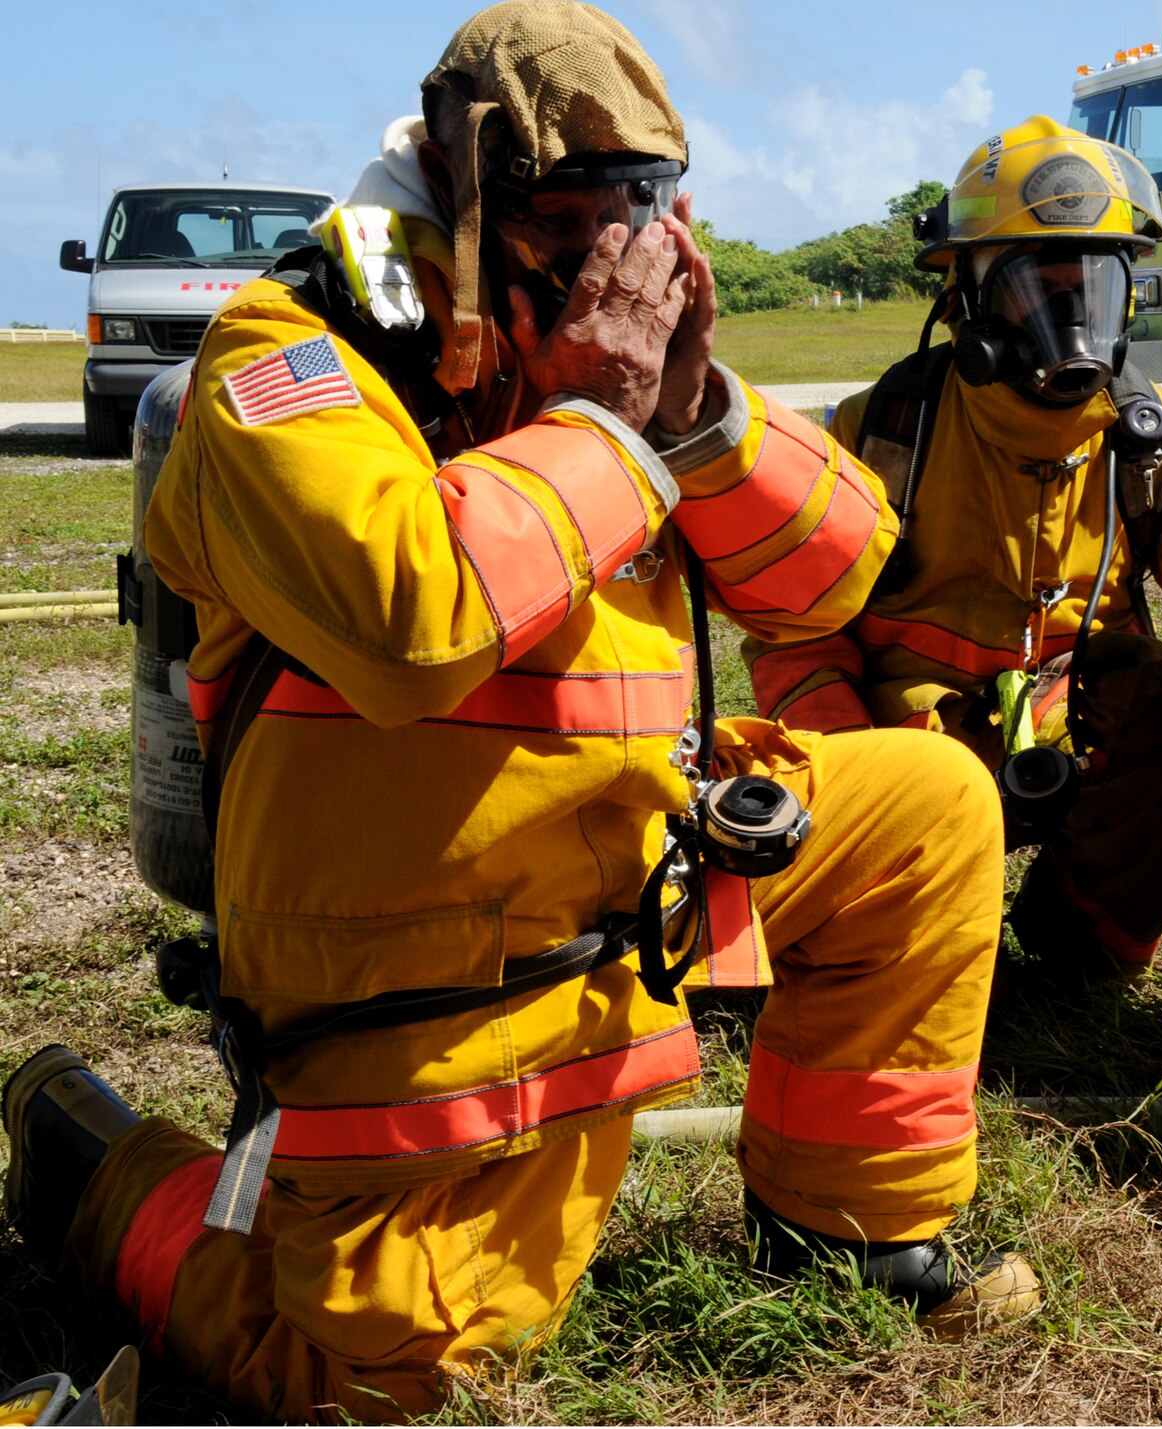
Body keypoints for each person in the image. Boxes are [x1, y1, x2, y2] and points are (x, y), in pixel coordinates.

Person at [2, 5, 1035, 1419]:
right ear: (459, 179)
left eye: (644, 203)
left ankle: (851, 1231)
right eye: (575, 205)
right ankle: (101, 1171)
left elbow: (837, 572)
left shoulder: (608, 361)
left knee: (925, 812)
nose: (618, 246)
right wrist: (603, 426)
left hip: (626, 877)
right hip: (426, 968)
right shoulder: (287, 353)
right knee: (377, 1372)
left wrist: (692, 416)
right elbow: (406, 620)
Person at [745, 118, 1162, 993]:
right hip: (908, 744)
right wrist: (861, 767)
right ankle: (900, 928)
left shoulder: (1161, 439)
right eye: (1035, 293)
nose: (1069, 324)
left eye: (1092, 288)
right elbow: (792, 633)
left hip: (1088, 736)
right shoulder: (881, 433)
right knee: (853, 929)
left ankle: (1078, 949)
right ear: (967, 300)